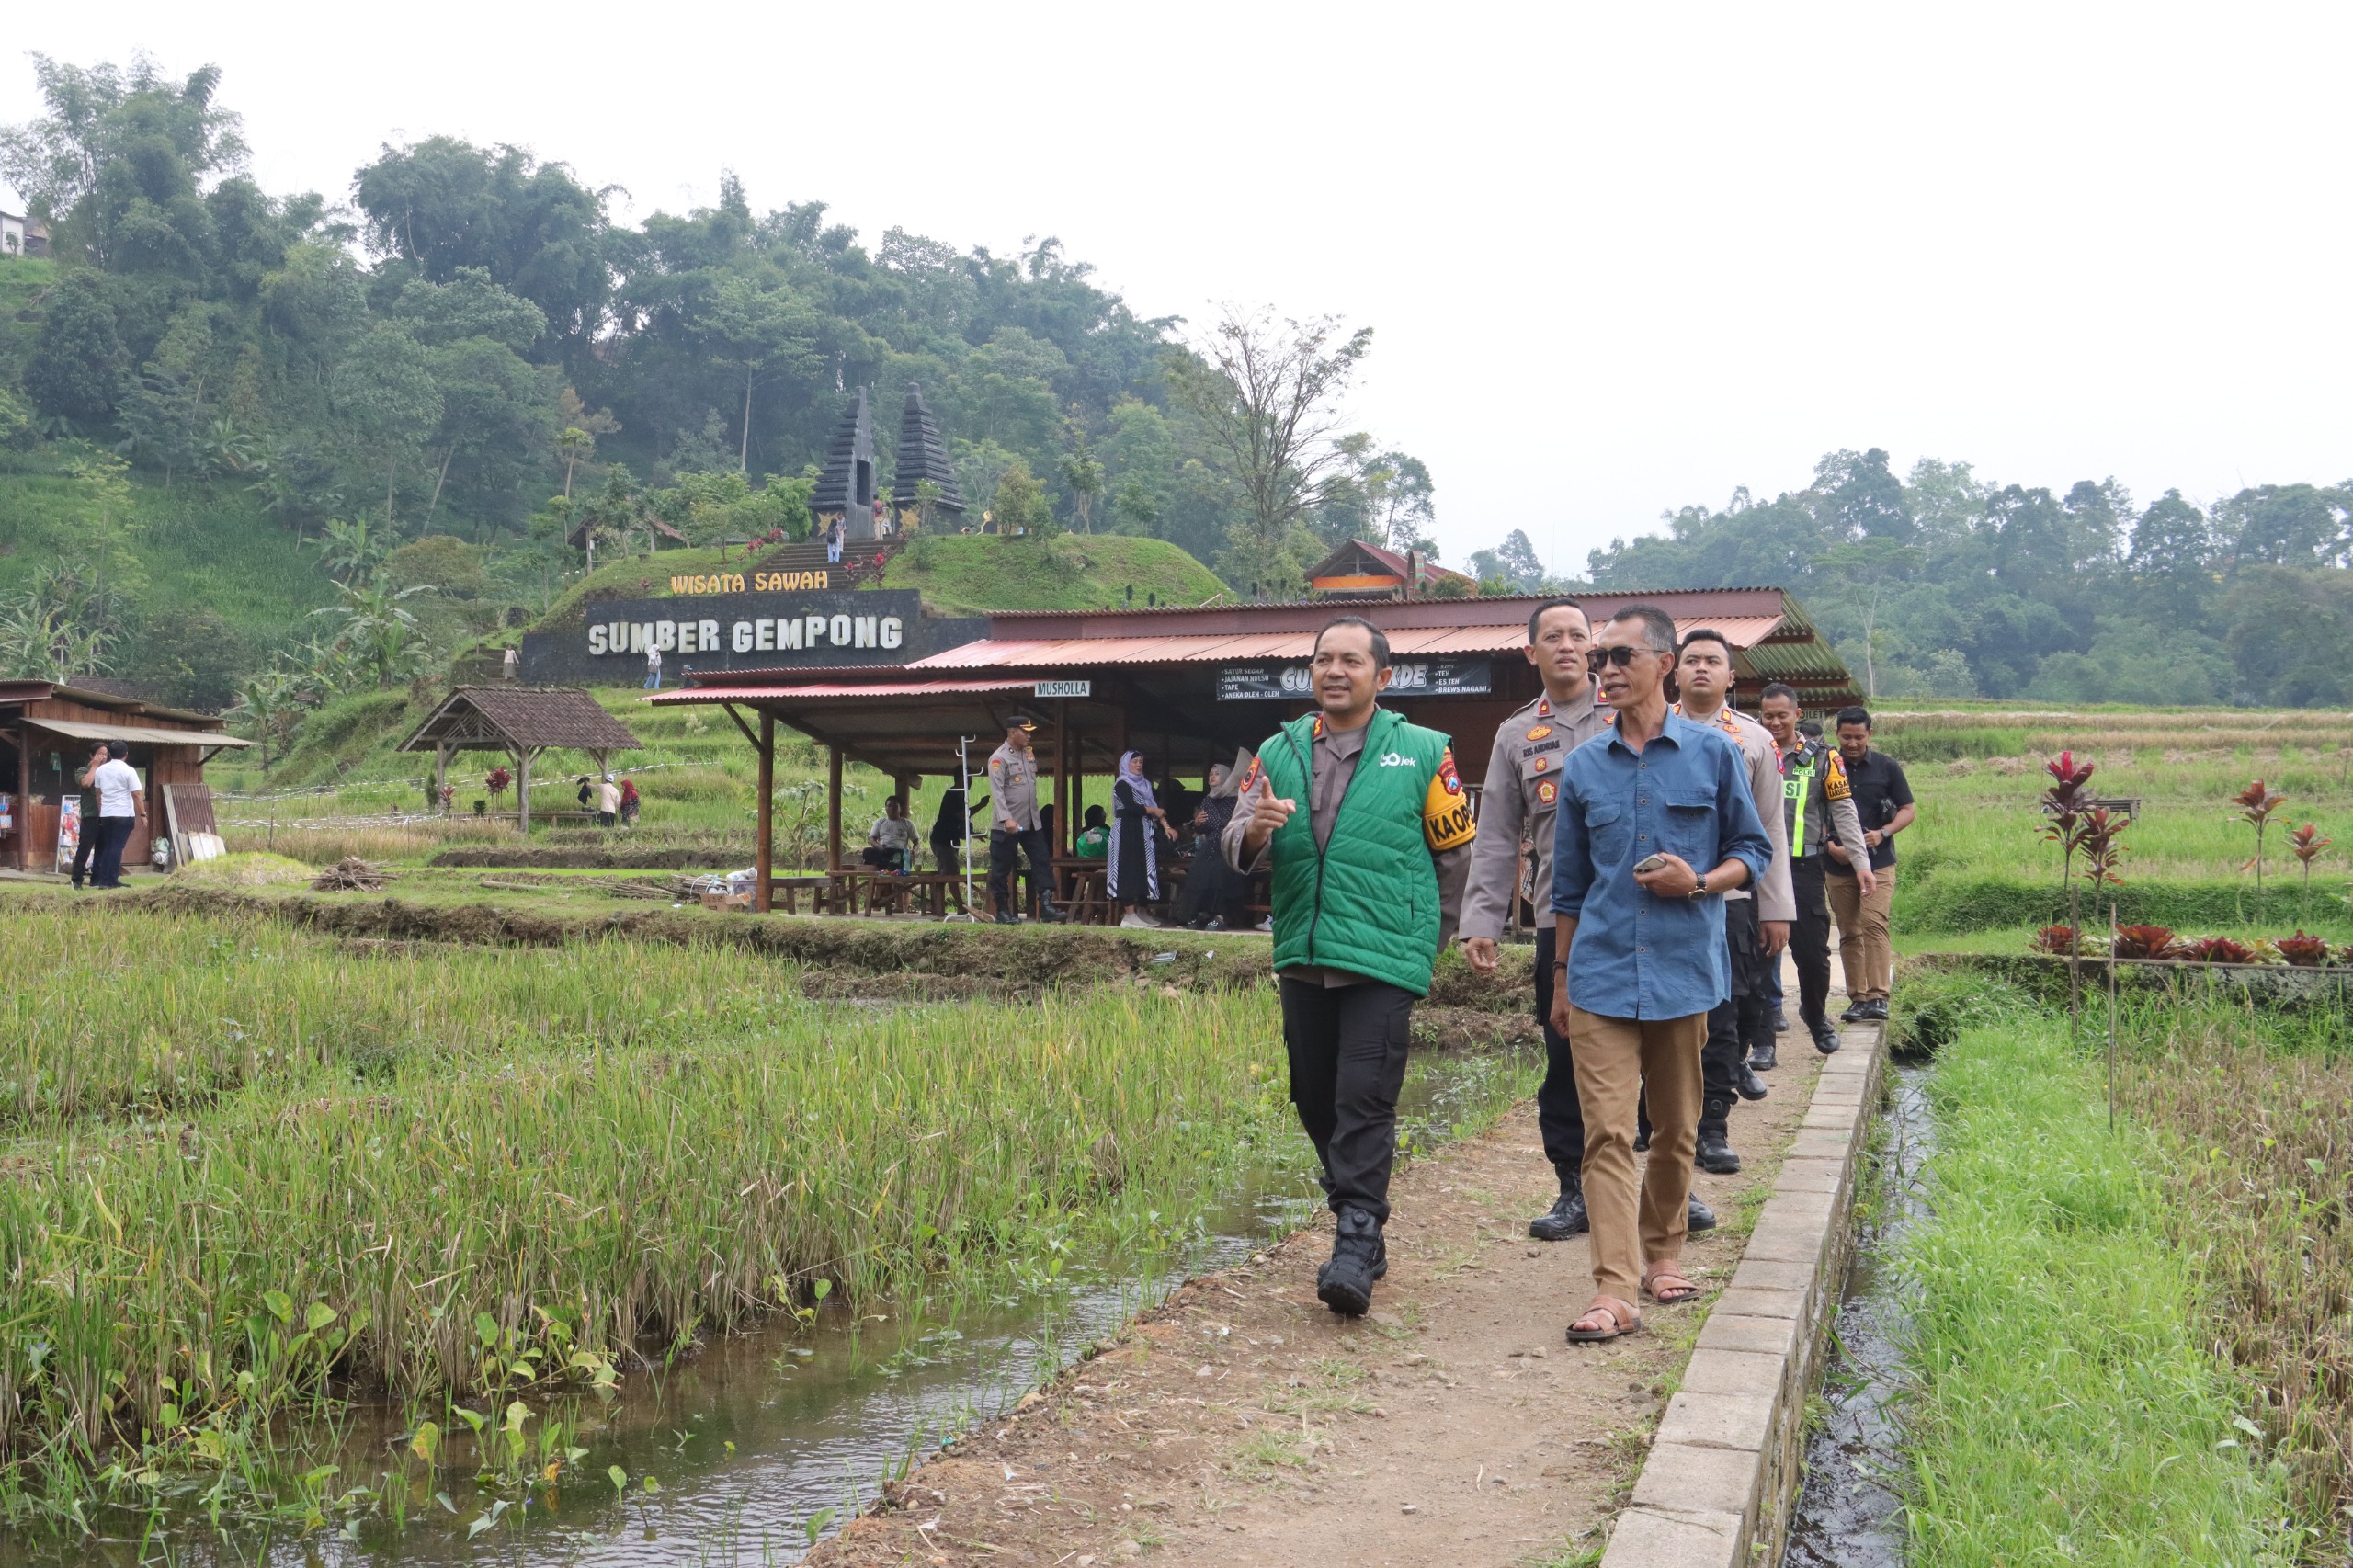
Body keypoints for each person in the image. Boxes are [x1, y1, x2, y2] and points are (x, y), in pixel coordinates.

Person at [1224, 616, 1478, 1317]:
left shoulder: (1426, 751)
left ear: (1383, 677)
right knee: (1314, 1097)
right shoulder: (1277, 750)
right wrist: (1252, 832)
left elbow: (1455, 854)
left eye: (1351, 661)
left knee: (1363, 1097)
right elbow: (1233, 838)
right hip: (1304, 950)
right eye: (1322, 660)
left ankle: (1355, 1242)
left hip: (1386, 954)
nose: (1334, 671)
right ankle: (1360, 1220)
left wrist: (1429, 940)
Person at [1549, 606, 1771, 1344]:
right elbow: (1569, 891)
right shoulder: (1580, 766)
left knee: (1675, 1128)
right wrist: (1559, 981)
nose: (1605, 668)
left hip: (1682, 971)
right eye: (1600, 658)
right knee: (1606, 1135)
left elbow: (1753, 851)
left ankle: (1664, 1249)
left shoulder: (1713, 755)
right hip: (1600, 974)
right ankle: (1613, 1290)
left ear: (1663, 663)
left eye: (1620, 656)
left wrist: (1701, 883)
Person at [1461, 597, 1626, 1242]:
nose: (1565, 645)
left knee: (1655, 1053)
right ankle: (1572, 1188)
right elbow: (1498, 835)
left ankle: (1664, 1184)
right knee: (1564, 1056)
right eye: (1551, 636)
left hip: (1640, 913)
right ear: (1530, 653)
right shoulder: (1515, 734)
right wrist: (1482, 920)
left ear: (1593, 648)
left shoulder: (1629, 711)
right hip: (1561, 921)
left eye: (1576, 635)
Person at [1664, 629, 1795, 1176]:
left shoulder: (1753, 739)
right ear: (1674, 671)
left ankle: (1713, 1127)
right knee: (1662, 1012)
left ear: (1730, 676)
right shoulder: (1648, 731)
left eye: (1712, 661)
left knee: (1723, 1015)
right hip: (1661, 898)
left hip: (1732, 899)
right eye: (1691, 660)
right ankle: (1658, 1122)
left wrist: (1776, 908)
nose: (1701, 669)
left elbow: (1769, 831)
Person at [1758, 685, 1874, 1055]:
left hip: (1805, 868)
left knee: (1813, 955)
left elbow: (1844, 812)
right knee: (1758, 955)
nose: (1775, 722)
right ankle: (1763, 1040)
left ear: (1797, 714)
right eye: (1768, 716)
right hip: (1757, 869)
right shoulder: (1750, 751)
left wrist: (1861, 863)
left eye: (1782, 715)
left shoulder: (1825, 759)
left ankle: (1815, 1013)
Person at [1825, 706, 1914, 1022]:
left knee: (1874, 924)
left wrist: (1883, 833)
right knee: (1849, 931)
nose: (1852, 743)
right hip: (1837, 864)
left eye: (1858, 737)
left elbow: (1908, 809)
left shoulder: (1887, 767)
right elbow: (1811, 811)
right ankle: (1858, 998)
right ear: (1837, 734)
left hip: (1878, 862)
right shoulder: (1826, 765)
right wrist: (1830, 845)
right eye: (1846, 737)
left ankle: (1878, 996)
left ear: (1870, 735)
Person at [987, 718, 1065, 925]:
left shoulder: (1029, 754)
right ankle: (1002, 910)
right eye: (1025, 732)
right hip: (1008, 823)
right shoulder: (999, 758)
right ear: (1012, 732)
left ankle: (1047, 905)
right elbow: (997, 791)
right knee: (1001, 867)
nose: (1030, 736)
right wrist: (1006, 818)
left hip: (1031, 820)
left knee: (1041, 859)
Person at [1109, 750, 1175, 927]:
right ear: (1126, 765)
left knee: (1144, 870)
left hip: (1144, 832)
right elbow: (1130, 807)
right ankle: (1129, 915)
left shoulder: (1145, 785)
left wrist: (1167, 826)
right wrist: (1153, 811)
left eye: (1140, 762)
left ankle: (1142, 913)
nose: (1138, 765)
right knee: (1129, 869)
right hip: (1127, 831)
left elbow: (1156, 807)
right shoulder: (1122, 784)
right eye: (1134, 762)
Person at [1176, 764, 1239, 928]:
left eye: (1217, 774)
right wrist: (1197, 823)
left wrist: (1213, 821)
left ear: (1225, 777)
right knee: (1197, 871)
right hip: (1210, 844)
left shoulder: (1236, 799)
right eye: (1211, 773)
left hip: (1229, 845)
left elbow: (1232, 823)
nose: (1212, 776)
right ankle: (1199, 913)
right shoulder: (1207, 800)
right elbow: (1203, 827)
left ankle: (1220, 916)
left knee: (1219, 870)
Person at [87, 740, 147, 891]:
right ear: (126, 755)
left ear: (110, 754)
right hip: (123, 813)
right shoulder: (128, 771)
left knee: (109, 846)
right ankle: (110, 880)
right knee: (116, 847)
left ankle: (104, 879)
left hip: (107, 814)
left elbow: (98, 794)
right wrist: (143, 814)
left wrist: (102, 811)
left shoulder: (101, 771)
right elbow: (137, 794)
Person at [930, 781, 984, 912]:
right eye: (968, 779)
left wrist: (973, 834)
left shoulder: (961, 795)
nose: (970, 782)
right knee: (950, 873)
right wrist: (981, 805)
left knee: (949, 872)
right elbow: (961, 815)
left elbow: (960, 824)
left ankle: (938, 905)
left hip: (951, 841)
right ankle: (959, 905)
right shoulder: (953, 793)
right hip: (942, 840)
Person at [69, 742, 106, 891]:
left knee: (102, 849)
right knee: (85, 848)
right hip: (90, 815)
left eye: (105, 754)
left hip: (105, 815)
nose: (103, 757)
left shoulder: (107, 771)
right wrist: (94, 767)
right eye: (100, 754)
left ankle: (96, 879)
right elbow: (86, 783)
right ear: (92, 755)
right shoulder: (83, 770)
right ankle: (77, 880)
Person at [863, 795, 920, 872]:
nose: (892, 808)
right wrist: (878, 847)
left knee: (901, 857)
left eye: (895, 806)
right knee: (866, 852)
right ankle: (890, 864)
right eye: (889, 806)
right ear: (885, 808)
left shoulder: (907, 823)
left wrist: (914, 850)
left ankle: (887, 864)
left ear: (900, 808)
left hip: (899, 852)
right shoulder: (880, 822)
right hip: (883, 851)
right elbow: (871, 838)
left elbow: (916, 841)